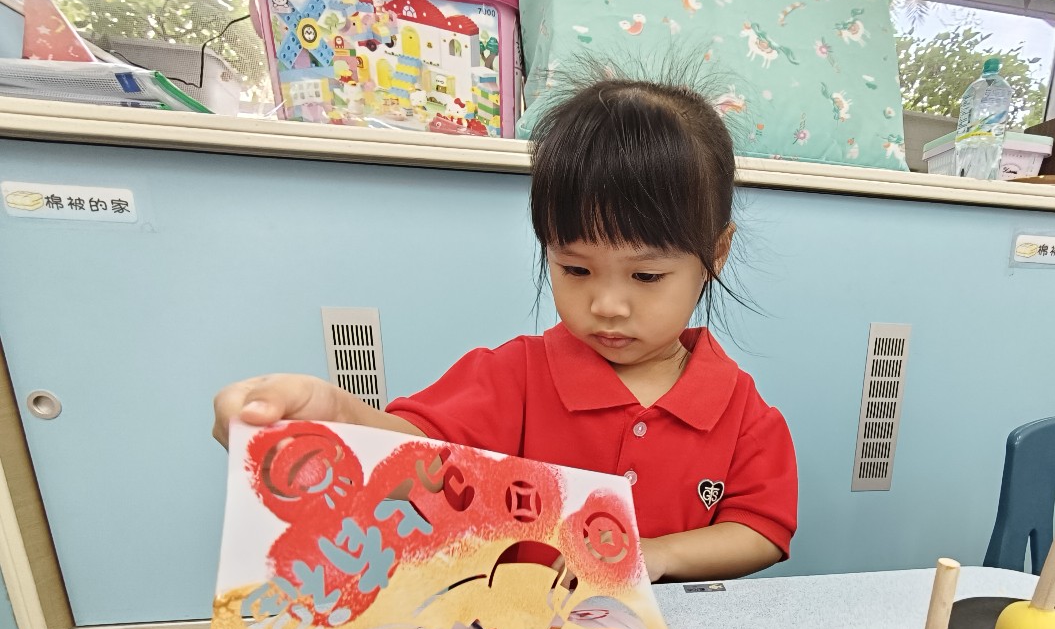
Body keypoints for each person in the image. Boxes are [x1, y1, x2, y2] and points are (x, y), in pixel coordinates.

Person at [212, 74, 798, 583]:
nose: (607, 304)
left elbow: (762, 528)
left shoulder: (738, 405)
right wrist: (341, 419)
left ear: (716, 254)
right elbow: (414, 451)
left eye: (646, 275)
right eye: (575, 269)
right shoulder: (513, 376)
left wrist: (662, 553)